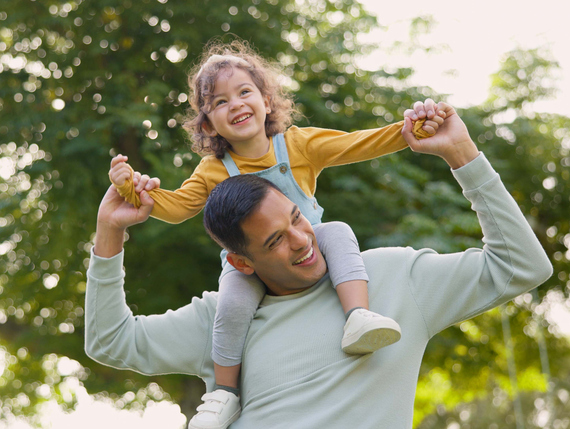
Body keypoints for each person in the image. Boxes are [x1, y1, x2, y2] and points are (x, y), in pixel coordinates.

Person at [85, 102, 553, 428]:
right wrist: (110, 231)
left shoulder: (392, 278)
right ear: (241, 263)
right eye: (275, 241)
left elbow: (522, 265)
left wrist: (461, 154)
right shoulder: (221, 318)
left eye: (296, 219)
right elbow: (110, 341)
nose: (302, 240)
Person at [107, 41, 442, 428]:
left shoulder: (298, 145)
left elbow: (358, 144)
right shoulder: (212, 171)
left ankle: (358, 316)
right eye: (219, 102)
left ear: (267, 101)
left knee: (338, 232)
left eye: (244, 92)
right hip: (252, 268)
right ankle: (224, 393)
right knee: (229, 308)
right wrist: (131, 188)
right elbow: (177, 207)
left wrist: (410, 129)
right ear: (207, 124)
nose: (235, 104)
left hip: (310, 250)